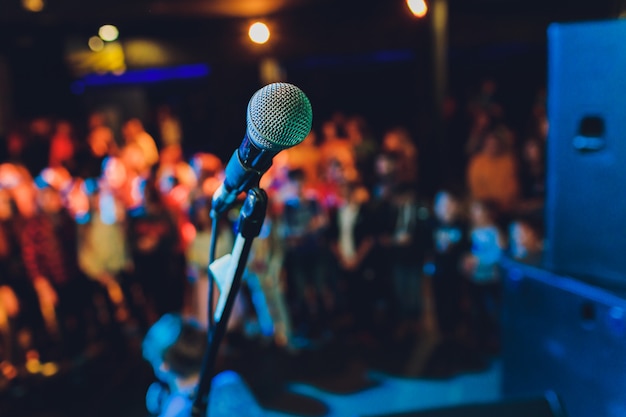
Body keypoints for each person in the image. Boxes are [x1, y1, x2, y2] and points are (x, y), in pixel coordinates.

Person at [461, 199, 504, 352]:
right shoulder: (471, 231)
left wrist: (479, 259)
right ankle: (479, 341)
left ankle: (494, 341)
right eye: (473, 211)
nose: (474, 214)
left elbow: (499, 254)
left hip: (491, 279)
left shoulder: (494, 232)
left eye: (477, 210)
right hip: (475, 278)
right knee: (476, 310)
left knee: (491, 310)